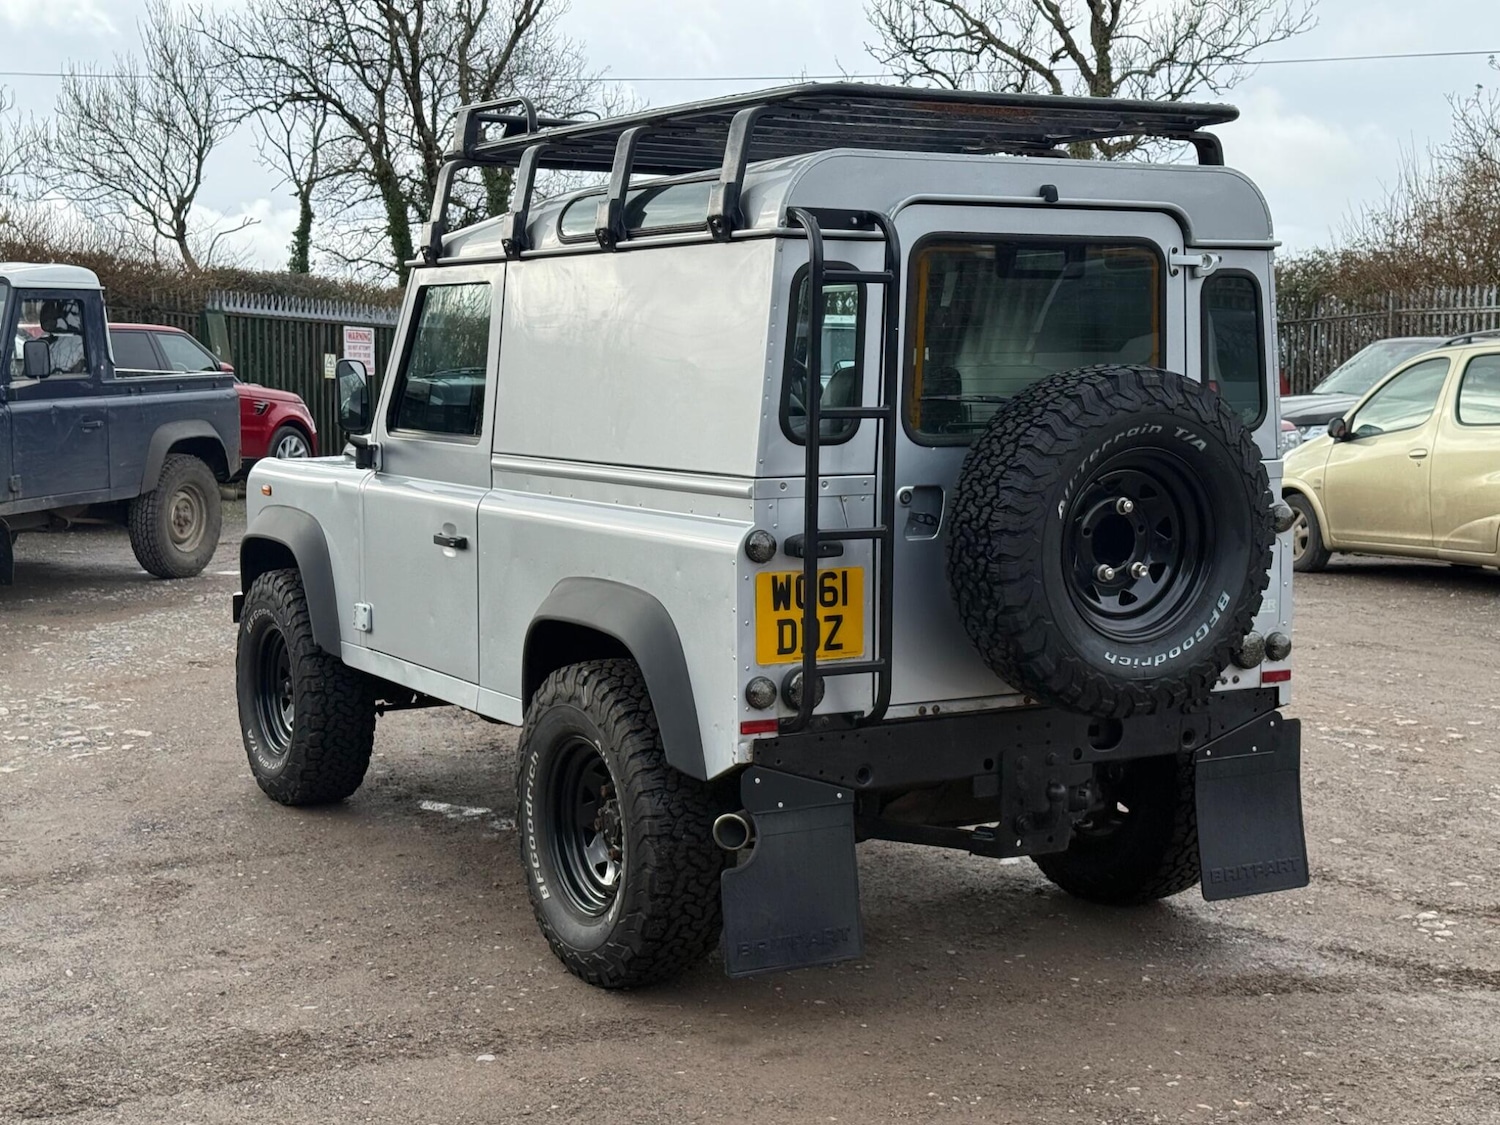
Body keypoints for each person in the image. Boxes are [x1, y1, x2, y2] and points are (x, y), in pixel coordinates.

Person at [37, 299, 87, 376]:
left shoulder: (81, 345)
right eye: (46, 316)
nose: (47, 320)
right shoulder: (42, 345)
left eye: (51, 316)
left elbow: (75, 377)